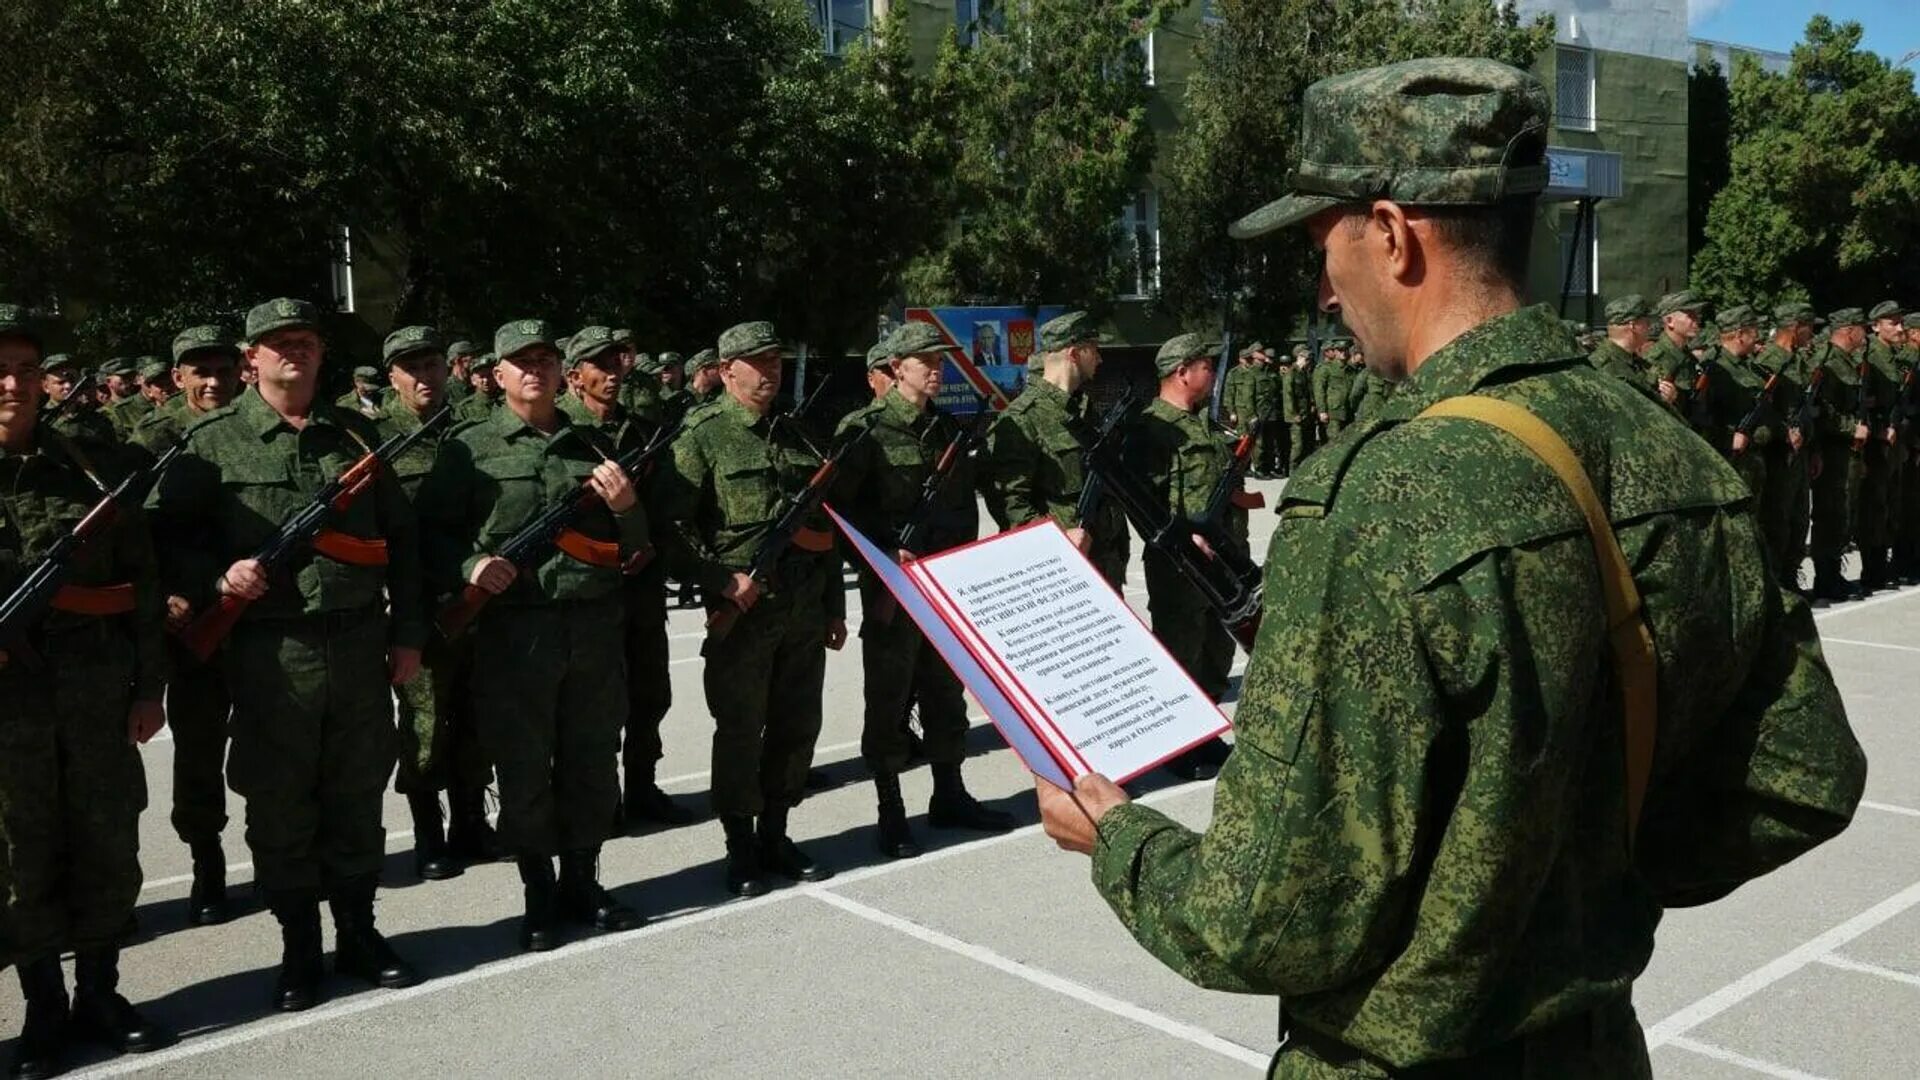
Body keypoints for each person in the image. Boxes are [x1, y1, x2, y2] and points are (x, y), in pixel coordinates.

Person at [1034, 58, 1864, 1078]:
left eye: (1321, 244)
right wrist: (1593, 884)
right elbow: (1802, 772)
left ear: (1391, 234)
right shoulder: (1663, 446)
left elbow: (1259, 921)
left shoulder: (1382, 496)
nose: (1324, 288)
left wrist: (1117, 838)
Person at [148, 297, 424, 1011]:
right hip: (270, 656)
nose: (291, 353)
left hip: (359, 643)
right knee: (280, 802)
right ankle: (300, 944)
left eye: (303, 341)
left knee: (358, 792)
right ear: (251, 359)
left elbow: (405, 542)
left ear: (321, 353)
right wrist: (215, 578)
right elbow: (162, 545)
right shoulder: (210, 443)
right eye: (276, 344)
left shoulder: (358, 437)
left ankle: (358, 932)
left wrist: (409, 635)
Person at [417, 319, 645, 950]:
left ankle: (583, 880)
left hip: (593, 629)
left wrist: (626, 506)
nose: (535, 371)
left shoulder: (593, 446)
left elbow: (639, 547)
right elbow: (428, 536)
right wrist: (469, 567)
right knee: (523, 765)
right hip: (514, 635)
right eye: (521, 362)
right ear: (497, 375)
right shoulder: (468, 449)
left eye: (545, 359)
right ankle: (538, 891)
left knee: (592, 758)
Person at [0, 304, 175, 1076]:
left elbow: (141, 586)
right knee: (19, 856)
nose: (13, 385)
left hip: (99, 694)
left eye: (27, 371)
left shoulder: (92, 469)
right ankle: (44, 1004)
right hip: (8, 713)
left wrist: (149, 688)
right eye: (0, 372)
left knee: (108, 841)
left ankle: (100, 991)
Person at [655, 322, 847, 897]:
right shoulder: (701, 436)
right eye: (758, 363)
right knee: (740, 730)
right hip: (743, 615)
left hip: (804, 611)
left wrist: (834, 606)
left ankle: (777, 832)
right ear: (725, 370)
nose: (770, 373)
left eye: (776, 362)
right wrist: (720, 579)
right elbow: (669, 528)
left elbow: (823, 529)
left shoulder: (796, 434)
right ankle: (740, 844)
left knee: (797, 726)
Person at [833, 321, 1014, 860]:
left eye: (940, 362)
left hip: (944, 584)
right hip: (894, 584)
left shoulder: (949, 429)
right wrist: (882, 557)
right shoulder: (863, 430)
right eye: (925, 362)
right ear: (895, 369)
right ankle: (891, 811)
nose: (937, 371)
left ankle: (950, 793)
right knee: (888, 698)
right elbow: (837, 513)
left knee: (944, 692)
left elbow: (963, 509)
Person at [374, 325, 498, 880]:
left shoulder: (475, 430)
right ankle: (428, 831)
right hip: (417, 604)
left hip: (478, 598)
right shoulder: (375, 439)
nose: (423, 376)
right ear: (392, 376)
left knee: (475, 713)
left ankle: (472, 821)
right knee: (423, 722)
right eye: (411, 368)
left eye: (431, 365)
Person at [131, 325, 245, 927]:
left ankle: (287, 858)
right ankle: (208, 865)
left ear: (240, 371)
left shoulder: (257, 427)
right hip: (195, 619)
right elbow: (138, 539)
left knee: (276, 743)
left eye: (221, 370)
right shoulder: (154, 440)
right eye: (197, 371)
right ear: (176, 378)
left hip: (260, 613)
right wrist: (172, 596)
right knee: (199, 746)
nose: (211, 382)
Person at [556, 326, 691, 828]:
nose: (611, 374)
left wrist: (651, 545)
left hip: (640, 586)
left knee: (650, 690)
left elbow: (666, 509)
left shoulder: (641, 432)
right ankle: (597, 799)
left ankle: (642, 787)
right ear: (574, 376)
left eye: (615, 364)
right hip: (585, 592)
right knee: (592, 702)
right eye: (599, 366)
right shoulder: (560, 431)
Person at [1125, 332, 1242, 781]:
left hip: (1222, 555)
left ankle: (1204, 730)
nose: (1213, 374)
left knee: (1216, 643)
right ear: (1182, 372)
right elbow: (1141, 498)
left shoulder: (1201, 422)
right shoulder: (1151, 427)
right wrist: (1178, 538)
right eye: (1207, 367)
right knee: (1181, 647)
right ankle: (1179, 743)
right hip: (1179, 560)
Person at [983, 310, 1129, 586]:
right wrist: (1058, 537)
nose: (1099, 358)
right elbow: (1009, 504)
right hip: (1059, 573)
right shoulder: (1023, 418)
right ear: (1073, 353)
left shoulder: (1083, 412)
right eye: (1094, 350)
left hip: (1106, 566)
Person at [1751, 303, 1818, 588]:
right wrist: (1783, 431)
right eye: (1808, 327)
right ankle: (1777, 584)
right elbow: (1760, 409)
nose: (1812, 333)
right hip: (1778, 455)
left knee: (1799, 520)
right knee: (1777, 521)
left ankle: (1791, 577)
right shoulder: (1768, 360)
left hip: (1799, 454)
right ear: (1795, 327)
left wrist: (1812, 449)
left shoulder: (1798, 360)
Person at [1808, 308, 1870, 603]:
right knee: (1828, 515)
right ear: (1848, 330)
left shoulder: (1849, 361)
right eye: (1861, 328)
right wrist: (1850, 428)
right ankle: (1824, 581)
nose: (1865, 334)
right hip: (1832, 451)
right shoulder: (1828, 362)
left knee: (1843, 514)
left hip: (1847, 452)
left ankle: (1834, 576)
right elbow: (1821, 412)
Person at [1858, 300, 1907, 591]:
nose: (1899, 328)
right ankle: (1872, 569)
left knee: (1890, 503)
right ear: (1876, 326)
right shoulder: (1871, 357)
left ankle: (1884, 562)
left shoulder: (1892, 355)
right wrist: (1878, 430)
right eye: (1893, 323)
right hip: (1876, 443)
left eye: (1900, 322)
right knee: (1874, 506)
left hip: (1892, 441)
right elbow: (1865, 404)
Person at [1647, 291, 1709, 414]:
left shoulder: (1685, 355)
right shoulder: (1660, 358)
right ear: (1670, 321)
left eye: (1697, 314)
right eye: (1690, 315)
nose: (1697, 320)